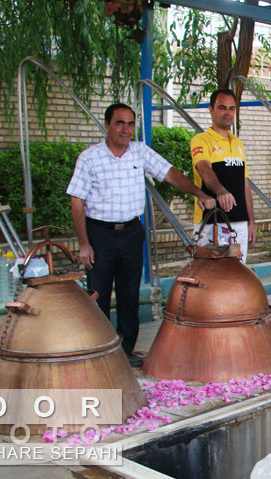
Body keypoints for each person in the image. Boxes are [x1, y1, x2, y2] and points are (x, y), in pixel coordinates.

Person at [69, 103, 215, 368]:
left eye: (130, 124)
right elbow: (77, 201)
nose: (126, 129)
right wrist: (84, 244)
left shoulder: (139, 152)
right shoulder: (89, 158)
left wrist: (200, 194)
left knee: (128, 294)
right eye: (119, 123)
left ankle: (125, 351)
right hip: (99, 234)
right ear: (107, 125)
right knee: (97, 295)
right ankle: (100, 353)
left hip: (132, 233)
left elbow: (170, 175)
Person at [190, 89, 257, 259]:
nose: (227, 113)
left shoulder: (238, 143)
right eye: (222, 107)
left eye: (231, 108)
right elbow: (204, 169)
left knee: (239, 275)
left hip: (239, 223)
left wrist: (251, 221)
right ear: (211, 109)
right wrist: (221, 191)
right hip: (210, 221)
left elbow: (244, 183)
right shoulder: (201, 140)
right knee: (210, 277)